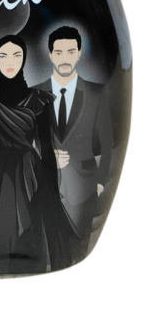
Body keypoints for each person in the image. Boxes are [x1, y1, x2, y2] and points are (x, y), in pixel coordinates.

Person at [0, 35, 80, 275]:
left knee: (32, 237)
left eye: (16, 55)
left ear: (24, 59)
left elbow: (45, 147)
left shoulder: (39, 100)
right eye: (3, 56)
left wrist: (52, 194)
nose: (9, 62)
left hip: (31, 175)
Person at [35, 25, 113, 254]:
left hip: (84, 187)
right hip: (44, 185)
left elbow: (107, 143)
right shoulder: (34, 94)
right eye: (59, 52)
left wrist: (100, 181)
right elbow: (22, 139)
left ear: (79, 53)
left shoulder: (96, 92)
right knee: (49, 251)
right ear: (50, 55)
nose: (65, 58)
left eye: (70, 52)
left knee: (77, 248)